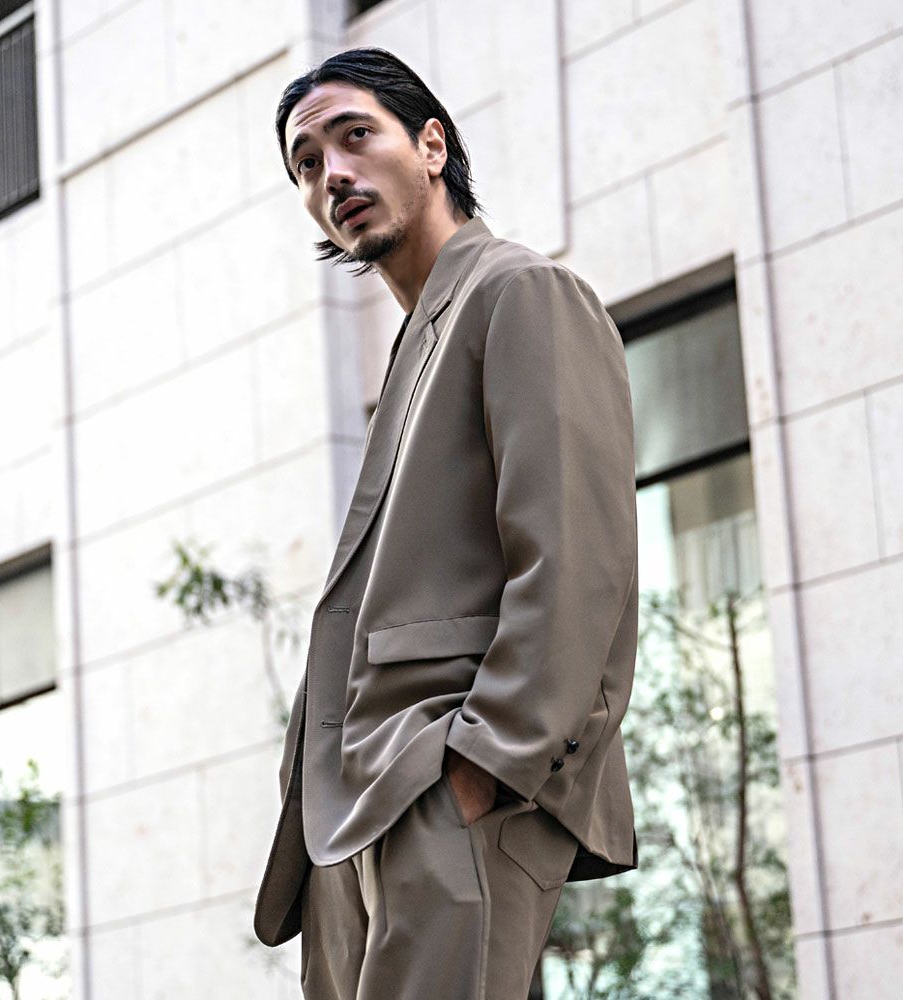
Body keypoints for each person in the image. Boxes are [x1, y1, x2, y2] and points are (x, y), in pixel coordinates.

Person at [253, 46, 639, 1000]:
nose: (333, 174)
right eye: (308, 163)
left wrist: (480, 770)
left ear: (432, 146)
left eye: (356, 136)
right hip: (360, 808)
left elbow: (575, 559)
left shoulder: (520, 291)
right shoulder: (418, 343)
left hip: (447, 787)